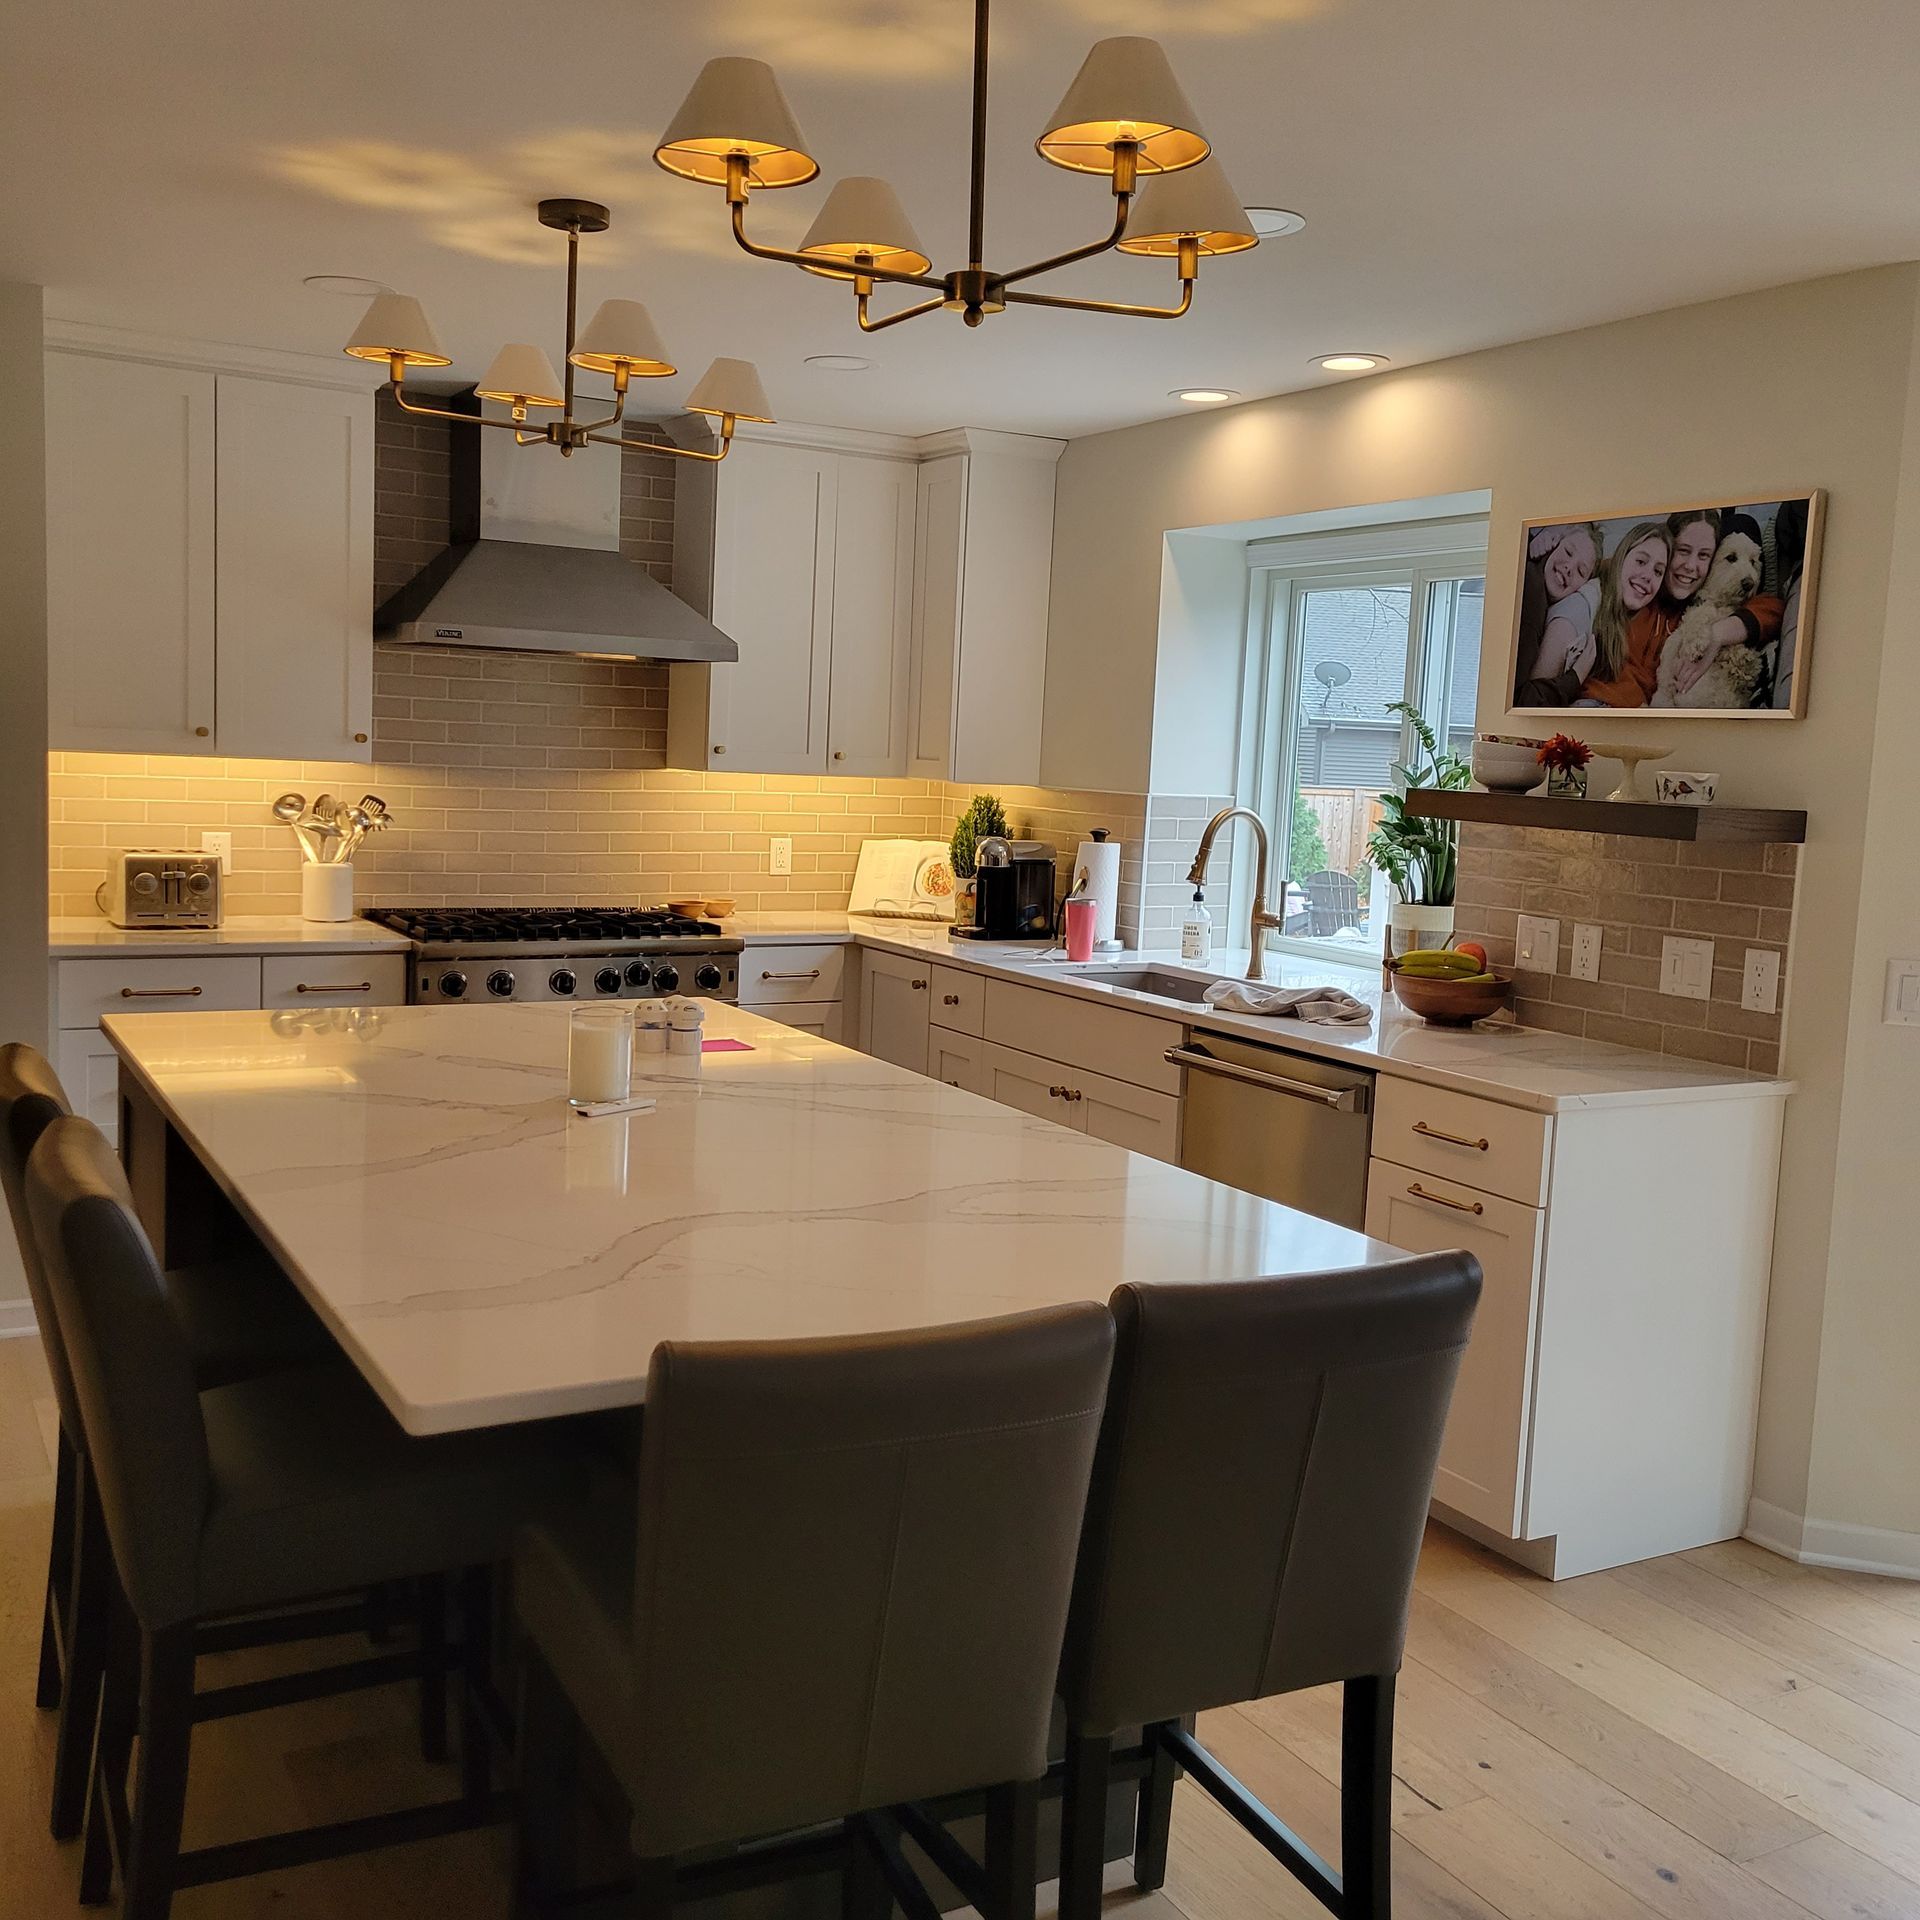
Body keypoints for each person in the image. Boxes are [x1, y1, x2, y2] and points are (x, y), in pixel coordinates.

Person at [1511, 522, 1603, 704]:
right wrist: (1576, 677)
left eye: (1580, 571)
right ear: (1554, 544)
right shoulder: (1532, 593)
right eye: (1568, 552)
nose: (1569, 568)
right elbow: (1521, 702)